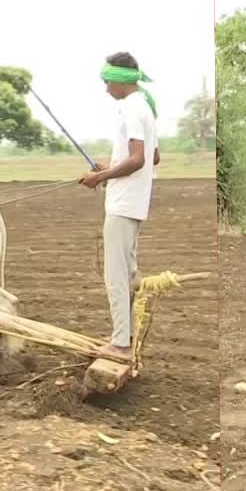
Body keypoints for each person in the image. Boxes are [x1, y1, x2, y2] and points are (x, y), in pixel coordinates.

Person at [78, 51, 160, 360]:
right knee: (126, 273)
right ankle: (123, 334)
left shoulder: (131, 108)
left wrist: (100, 177)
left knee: (115, 276)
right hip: (135, 204)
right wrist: (110, 166)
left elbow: (139, 160)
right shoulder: (146, 107)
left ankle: (120, 345)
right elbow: (153, 157)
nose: (105, 88)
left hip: (123, 205)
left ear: (118, 79)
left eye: (106, 81)